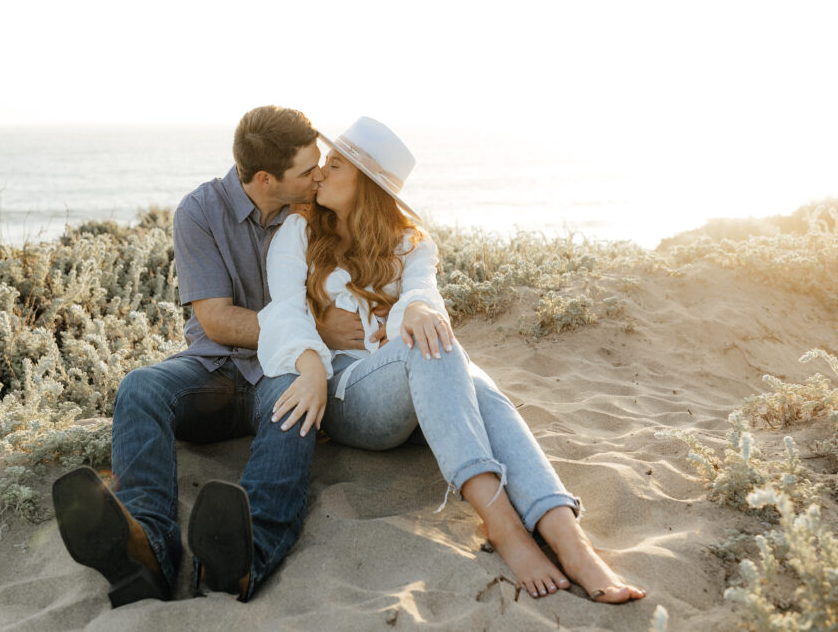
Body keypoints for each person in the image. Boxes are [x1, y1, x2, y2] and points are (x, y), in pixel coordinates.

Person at [257, 117, 647, 603]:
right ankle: (505, 527)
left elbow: (422, 290)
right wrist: (316, 358)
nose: (318, 174)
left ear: (368, 187)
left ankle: (568, 537)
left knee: (450, 355)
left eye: (333, 166)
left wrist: (416, 306)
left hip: (423, 398)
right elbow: (285, 314)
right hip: (349, 396)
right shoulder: (297, 232)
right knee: (440, 351)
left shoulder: (411, 243)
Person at [51, 106, 363, 607]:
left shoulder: (316, 209)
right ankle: (145, 549)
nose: (319, 175)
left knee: (296, 404)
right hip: (214, 371)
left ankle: (240, 562)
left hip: (282, 372)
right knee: (139, 387)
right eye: (307, 170)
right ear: (266, 178)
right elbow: (216, 321)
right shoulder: (199, 212)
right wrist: (312, 327)